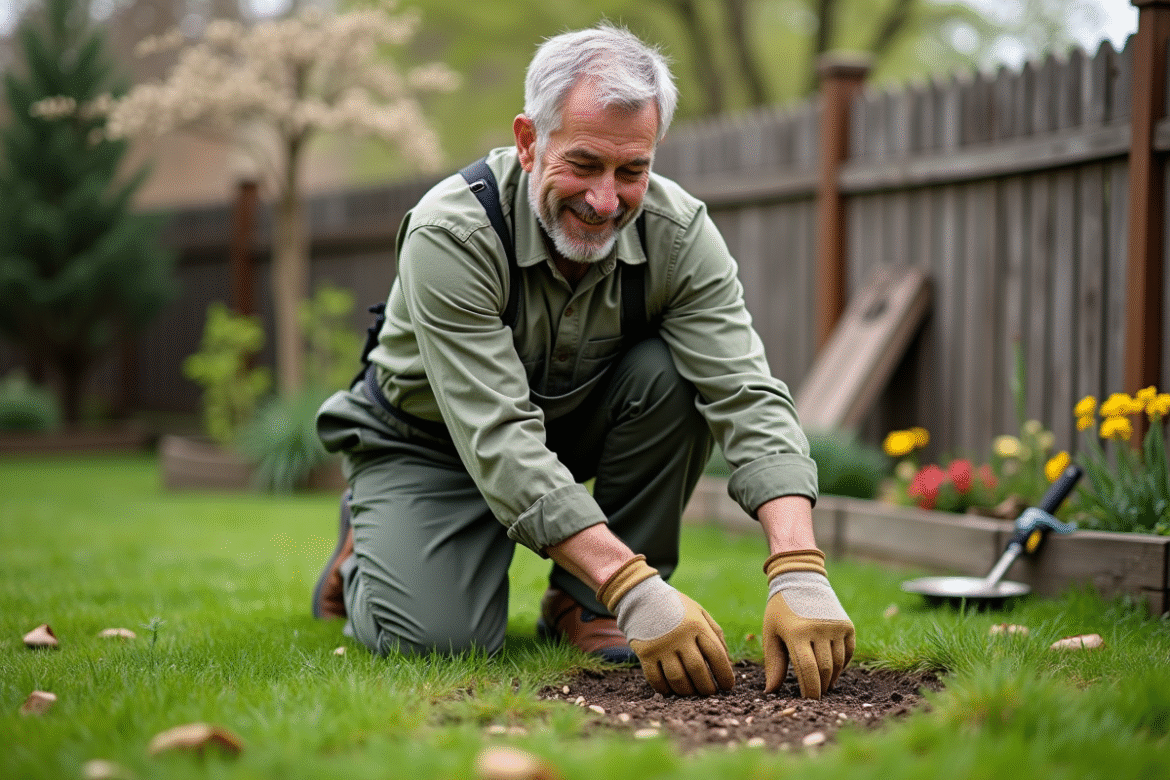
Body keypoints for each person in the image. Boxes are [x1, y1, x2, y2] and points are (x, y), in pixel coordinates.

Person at [312, 24, 854, 699]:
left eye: (632, 170)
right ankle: (369, 542)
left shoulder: (678, 232)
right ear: (529, 140)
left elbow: (745, 393)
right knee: (435, 641)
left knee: (672, 376)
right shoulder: (452, 231)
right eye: (585, 163)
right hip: (431, 443)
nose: (605, 201)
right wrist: (636, 584)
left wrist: (798, 566)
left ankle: (584, 604)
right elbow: (500, 436)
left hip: (570, 426)